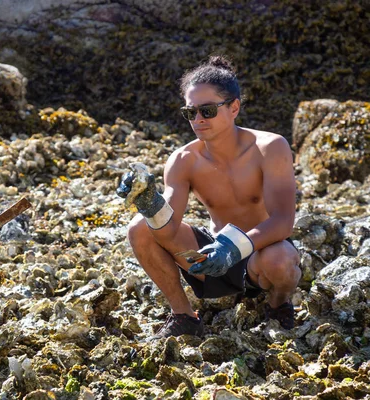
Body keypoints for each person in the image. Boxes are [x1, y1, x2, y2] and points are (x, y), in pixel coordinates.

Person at [117, 56, 301, 339]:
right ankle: (184, 316)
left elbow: (283, 222)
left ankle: (278, 305)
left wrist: (234, 247)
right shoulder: (183, 160)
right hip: (211, 260)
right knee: (139, 227)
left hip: (260, 254)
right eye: (191, 113)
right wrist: (148, 202)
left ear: (234, 107)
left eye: (208, 110)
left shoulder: (270, 147)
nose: (199, 120)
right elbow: (167, 229)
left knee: (282, 260)